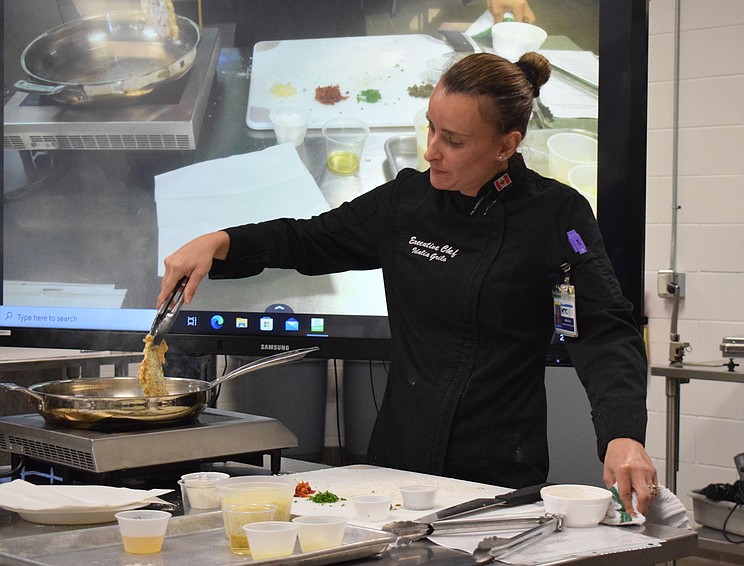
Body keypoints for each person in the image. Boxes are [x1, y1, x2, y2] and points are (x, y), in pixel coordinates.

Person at [158, 51, 658, 515]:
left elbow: (603, 330)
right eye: (431, 129)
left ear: (507, 144)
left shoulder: (556, 215)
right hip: (398, 461)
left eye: (453, 141)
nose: (431, 151)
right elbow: (310, 238)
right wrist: (220, 242)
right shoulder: (407, 203)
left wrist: (622, 434)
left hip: (497, 468)